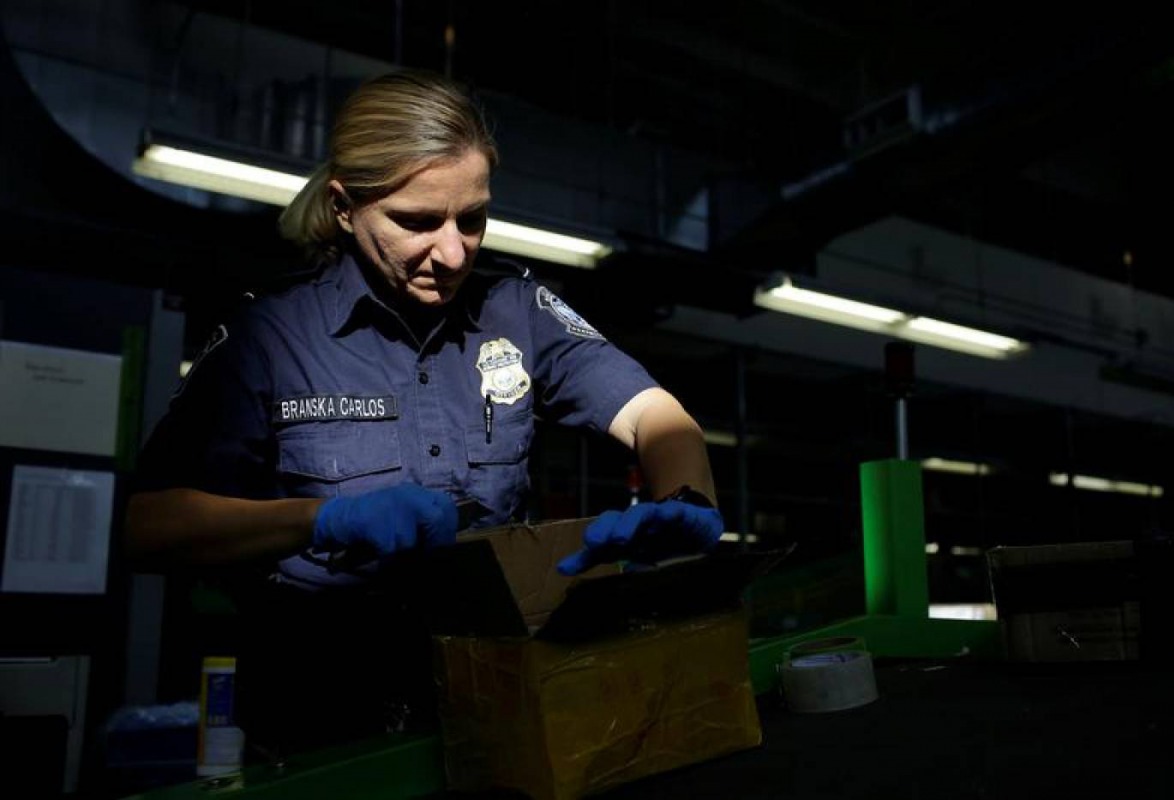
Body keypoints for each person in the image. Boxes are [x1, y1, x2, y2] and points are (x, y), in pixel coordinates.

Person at [124, 68, 724, 757]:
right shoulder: (271, 335)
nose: (453, 251)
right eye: (417, 221)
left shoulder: (518, 312)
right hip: (319, 724)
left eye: (472, 218)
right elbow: (149, 525)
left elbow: (656, 416)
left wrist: (687, 500)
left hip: (491, 706)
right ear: (345, 207)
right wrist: (319, 519)